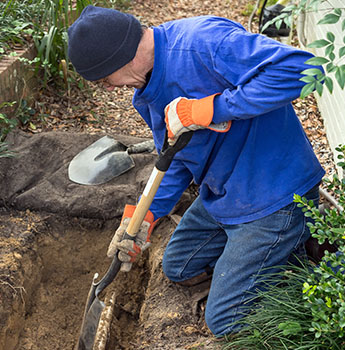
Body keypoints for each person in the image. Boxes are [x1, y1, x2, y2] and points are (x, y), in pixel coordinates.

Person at [68, 5, 325, 336]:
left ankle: (298, 254)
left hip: (274, 194)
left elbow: (305, 70)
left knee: (225, 321)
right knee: (178, 267)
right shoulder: (144, 94)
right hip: (226, 194)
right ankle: (262, 256)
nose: (107, 88)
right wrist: (143, 218)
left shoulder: (203, 43)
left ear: (121, 57)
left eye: (104, 79)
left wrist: (213, 107)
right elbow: (175, 158)